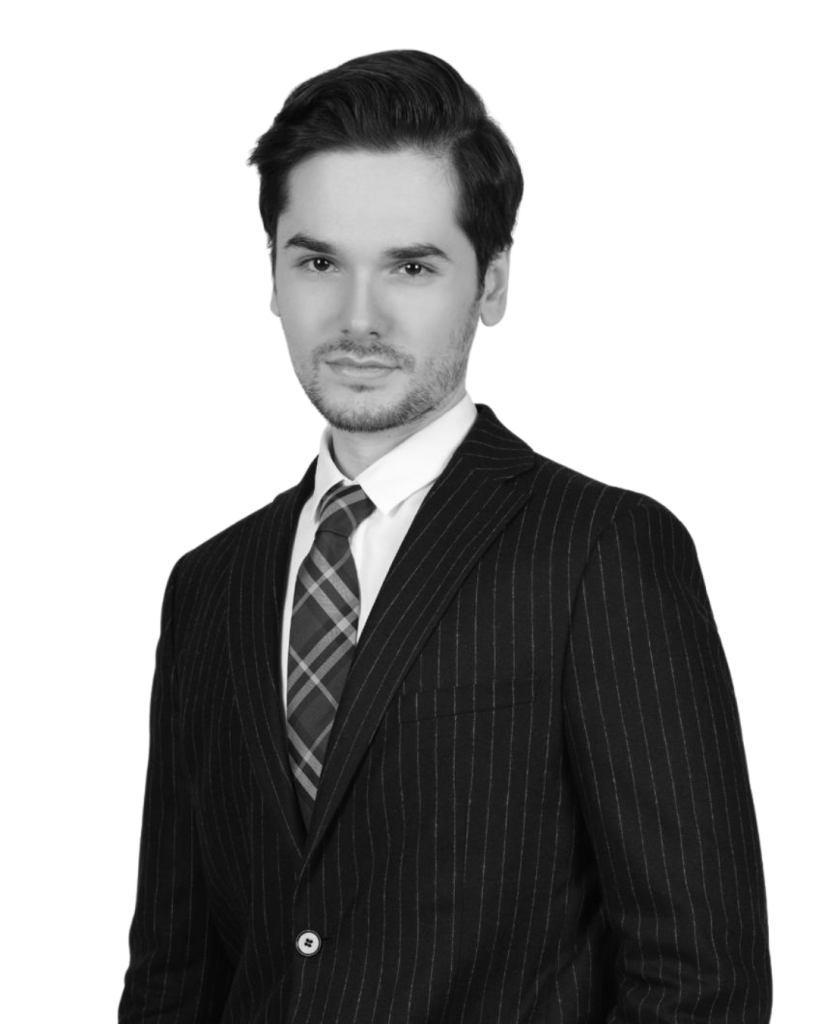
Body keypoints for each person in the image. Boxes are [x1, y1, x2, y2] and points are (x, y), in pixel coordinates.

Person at [119, 49, 772, 1023]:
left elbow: (702, 980)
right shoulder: (210, 584)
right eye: (318, 262)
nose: (358, 316)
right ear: (274, 278)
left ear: (491, 283)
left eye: (412, 267)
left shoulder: (601, 551)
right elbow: (173, 973)